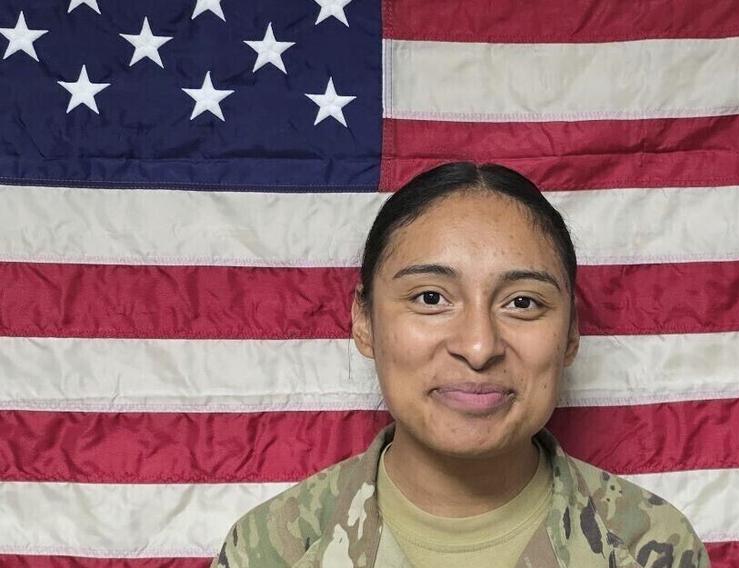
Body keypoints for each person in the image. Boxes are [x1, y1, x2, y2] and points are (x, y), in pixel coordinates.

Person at [211, 162, 709, 567]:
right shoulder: (272, 551)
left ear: (572, 332)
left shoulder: (648, 547)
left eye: (522, 303)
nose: (478, 346)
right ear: (363, 321)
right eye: (431, 297)